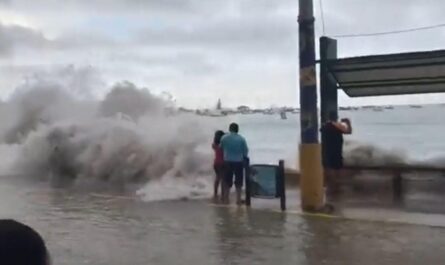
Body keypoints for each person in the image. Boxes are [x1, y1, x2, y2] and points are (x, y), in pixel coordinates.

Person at [321, 111, 352, 195]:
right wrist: (348, 122)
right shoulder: (337, 125)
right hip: (336, 149)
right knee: (336, 169)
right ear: (336, 117)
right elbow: (349, 131)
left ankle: (327, 186)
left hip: (325, 149)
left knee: (327, 168)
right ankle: (334, 186)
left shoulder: (324, 126)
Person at [220, 123, 249, 205]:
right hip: (238, 162)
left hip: (227, 161)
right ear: (237, 129)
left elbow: (221, 148)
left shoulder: (224, 138)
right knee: (238, 182)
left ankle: (226, 198)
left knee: (227, 181)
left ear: (230, 129)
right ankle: (238, 200)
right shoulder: (241, 139)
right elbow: (245, 151)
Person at [212, 130, 225, 202]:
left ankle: (215, 193)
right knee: (223, 180)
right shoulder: (223, 145)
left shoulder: (214, 144)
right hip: (222, 163)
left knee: (217, 178)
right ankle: (223, 195)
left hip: (216, 163)